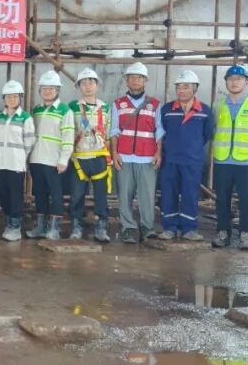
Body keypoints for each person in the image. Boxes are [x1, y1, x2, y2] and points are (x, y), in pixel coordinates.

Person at [211, 64, 248, 250]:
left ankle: (245, 234)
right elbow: (213, 130)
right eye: (230, 79)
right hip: (222, 160)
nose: (234, 82)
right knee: (222, 199)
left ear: (246, 82)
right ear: (226, 82)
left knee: (246, 200)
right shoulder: (218, 106)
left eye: (239, 79)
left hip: (246, 162)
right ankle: (223, 233)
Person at [110, 61, 164, 243]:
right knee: (124, 195)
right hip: (124, 157)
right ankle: (128, 228)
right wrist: (114, 154)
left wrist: (158, 153)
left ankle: (147, 227)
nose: (135, 80)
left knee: (147, 195)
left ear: (145, 80)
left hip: (147, 157)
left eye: (139, 77)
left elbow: (159, 130)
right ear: (126, 80)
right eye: (132, 77)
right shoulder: (118, 104)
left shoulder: (154, 104)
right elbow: (114, 131)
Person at [159, 69, 214, 242]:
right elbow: (161, 133)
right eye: (178, 87)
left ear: (195, 89)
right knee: (169, 193)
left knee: (190, 194)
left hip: (192, 161)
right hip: (170, 160)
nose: (181, 90)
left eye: (186, 87)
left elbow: (207, 134)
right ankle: (169, 228)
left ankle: (189, 229)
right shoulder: (167, 109)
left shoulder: (205, 110)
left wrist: (192, 147)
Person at [28, 70, 74, 240]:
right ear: (40, 90)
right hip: (36, 159)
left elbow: (68, 138)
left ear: (57, 90)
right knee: (39, 194)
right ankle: (40, 227)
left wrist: (64, 159)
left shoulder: (65, 110)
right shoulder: (37, 110)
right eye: (44, 88)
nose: (47, 91)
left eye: (51, 88)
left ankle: (54, 229)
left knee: (56, 195)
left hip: (54, 161)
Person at [67, 68, 112, 243]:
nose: (88, 86)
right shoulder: (72, 107)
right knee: (77, 195)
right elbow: (69, 131)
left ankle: (101, 227)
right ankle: (76, 226)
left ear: (97, 85)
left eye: (91, 82)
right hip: (79, 158)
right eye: (84, 83)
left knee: (101, 196)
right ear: (78, 87)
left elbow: (109, 133)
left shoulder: (105, 107)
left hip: (100, 158)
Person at [0, 80, 35, 242]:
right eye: (8, 96)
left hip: (16, 164)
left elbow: (29, 141)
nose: (11, 99)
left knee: (15, 196)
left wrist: (20, 156)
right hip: (0, 164)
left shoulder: (25, 117)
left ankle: (15, 227)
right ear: (4, 98)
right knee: (3, 195)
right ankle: (8, 223)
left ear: (20, 98)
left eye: (15, 96)